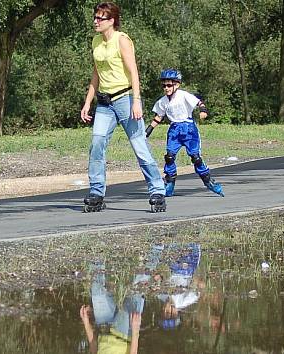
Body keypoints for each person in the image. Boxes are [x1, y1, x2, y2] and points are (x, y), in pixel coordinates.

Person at [80, 2, 166, 213]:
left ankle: (157, 191)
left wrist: (136, 101)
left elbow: (134, 72)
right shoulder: (96, 42)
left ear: (112, 21)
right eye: (95, 17)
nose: (96, 21)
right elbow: (96, 74)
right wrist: (87, 102)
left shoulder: (122, 40)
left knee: (139, 146)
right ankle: (96, 193)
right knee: (97, 144)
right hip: (104, 103)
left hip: (125, 99)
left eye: (100, 18)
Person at [144, 69, 224, 197]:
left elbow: (199, 102)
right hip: (174, 130)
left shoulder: (183, 95)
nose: (166, 88)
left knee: (195, 157)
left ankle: (209, 182)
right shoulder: (163, 101)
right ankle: (169, 184)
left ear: (177, 84)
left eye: (169, 85)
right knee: (169, 157)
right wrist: (147, 132)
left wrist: (203, 110)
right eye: (164, 85)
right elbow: (158, 117)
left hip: (188, 129)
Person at [80, 261, 144, 354]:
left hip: (103, 326)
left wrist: (86, 322)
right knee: (136, 292)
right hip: (123, 333)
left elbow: (93, 347)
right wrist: (135, 330)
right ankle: (156, 250)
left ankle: (98, 252)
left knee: (97, 291)